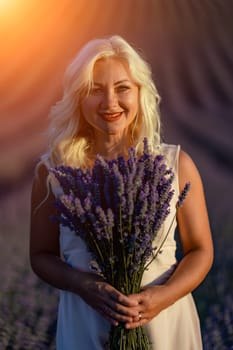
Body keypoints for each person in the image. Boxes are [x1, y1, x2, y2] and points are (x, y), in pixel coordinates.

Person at [30, 35, 213, 350]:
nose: (110, 103)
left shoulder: (175, 164)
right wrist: (82, 284)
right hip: (87, 322)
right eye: (94, 90)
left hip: (164, 324)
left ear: (141, 93)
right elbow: (40, 255)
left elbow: (201, 250)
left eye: (122, 88)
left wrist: (162, 297)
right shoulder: (53, 172)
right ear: (77, 97)